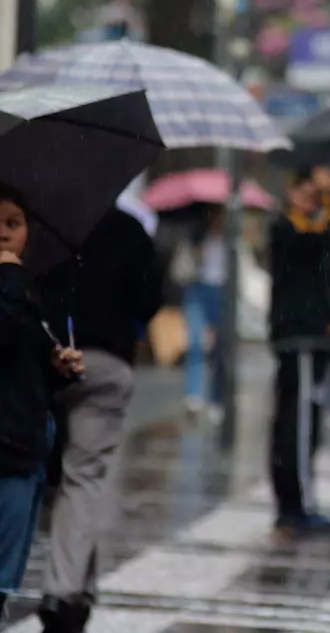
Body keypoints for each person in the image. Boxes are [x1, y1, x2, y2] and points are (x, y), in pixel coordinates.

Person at [36, 209, 163, 632]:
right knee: (82, 479)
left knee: (63, 481)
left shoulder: (46, 227)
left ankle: (73, 587)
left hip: (49, 364)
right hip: (107, 363)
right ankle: (66, 591)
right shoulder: (129, 231)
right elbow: (149, 303)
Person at [0, 186, 84, 622]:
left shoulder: (25, 293)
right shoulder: (11, 287)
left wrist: (57, 367)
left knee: (3, 582)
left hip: (23, 448)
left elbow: (22, 367)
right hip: (6, 451)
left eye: (13, 224)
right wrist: (9, 280)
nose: (3, 235)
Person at [268, 165, 330, 539]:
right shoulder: (286, 227)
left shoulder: (309, 226)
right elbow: (312, 241)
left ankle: (296, 503)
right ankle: (296, 505)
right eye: (308, 190)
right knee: (297, 424)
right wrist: (328, 199)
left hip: (310, 338)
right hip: (298, 338)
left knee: (304, 421)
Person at [170, 206, 227, 420]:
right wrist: (198, 250)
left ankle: (216, 398)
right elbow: (183, 269)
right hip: (198, 289)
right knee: (195, 343)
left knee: (221, 348)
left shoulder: (232, 241)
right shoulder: (196, 238)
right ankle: (194, 394)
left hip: (222, 292)